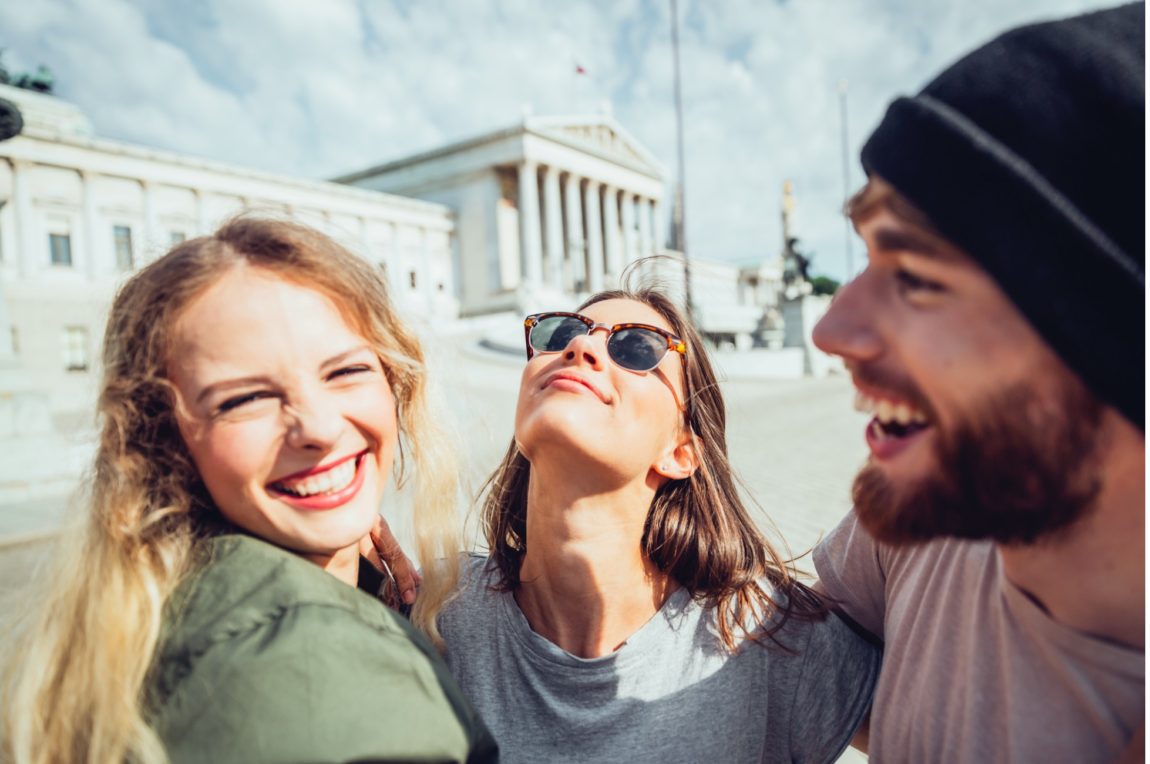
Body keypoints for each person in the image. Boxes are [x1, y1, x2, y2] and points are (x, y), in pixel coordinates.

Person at [0, 218, 496, 763]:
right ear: (165, 442)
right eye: (244, 400)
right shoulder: (311, 666)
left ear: (394, 381)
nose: (319, 427)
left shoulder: (151, 608)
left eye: (344, 371)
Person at [809, 4, 1144, 762]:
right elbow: (813, 655)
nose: (831, 331)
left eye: (917, 276)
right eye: (865, 257)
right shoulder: (933, 509)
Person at [433, 286, 880, 762]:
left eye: (636, 348)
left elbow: (943, 726)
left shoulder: (759, 631)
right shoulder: (433, 607)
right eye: (560, 332)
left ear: (681, 451)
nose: (580, 347)